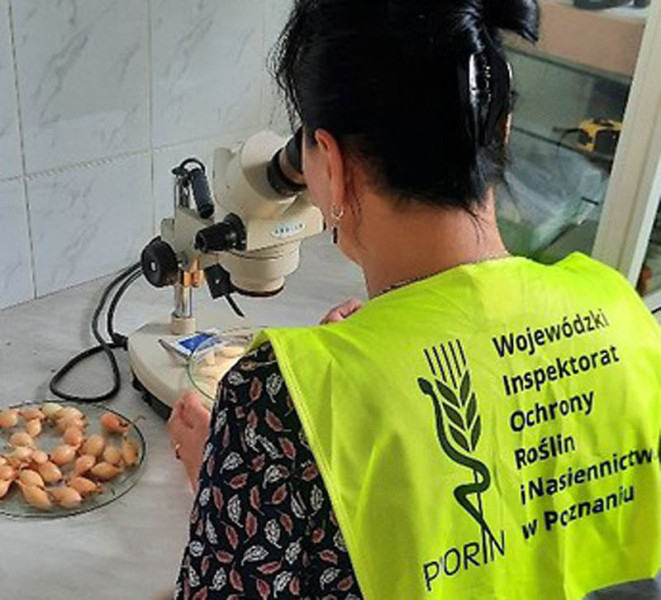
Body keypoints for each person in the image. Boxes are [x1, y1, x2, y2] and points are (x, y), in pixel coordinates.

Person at [167, 0, 661, 597]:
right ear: (502, 132)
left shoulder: (271, 404)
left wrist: (228, 480)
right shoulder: (622, 314)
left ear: (333, 166)